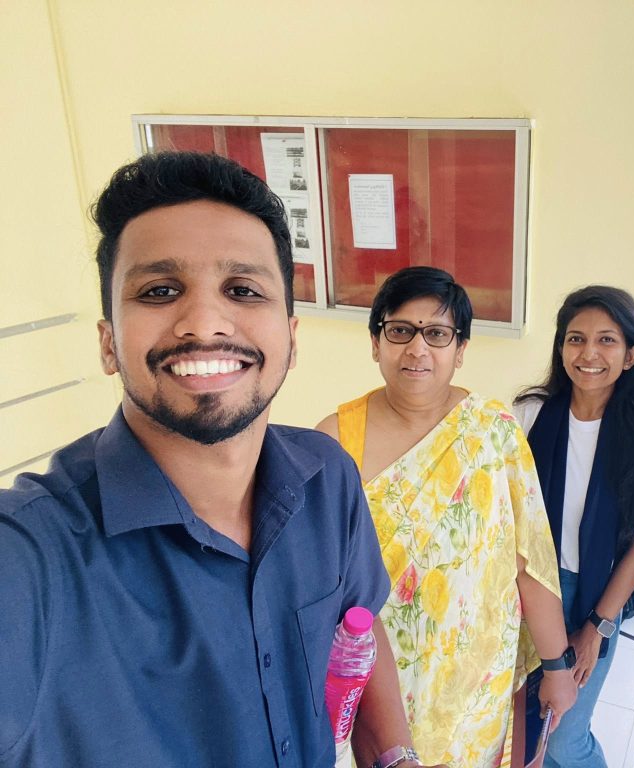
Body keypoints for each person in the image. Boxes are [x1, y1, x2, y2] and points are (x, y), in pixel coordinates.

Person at [0, 152, 444, 768]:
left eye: (243, 290)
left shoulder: (328, 478)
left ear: (291, 339)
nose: (205, 322)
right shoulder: (33, 554)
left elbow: (358, 629)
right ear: (108, 343)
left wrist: (395, 756)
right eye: (159, 291)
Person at [315, 267, 577, 767]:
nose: (417, 349)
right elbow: (323, 585)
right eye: (400, 330)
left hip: (475, 695)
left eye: (436, 334)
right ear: (375, 343)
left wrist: (557, 666)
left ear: (460, 350)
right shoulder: (334, 441)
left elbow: (530, 562)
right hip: (378, 695)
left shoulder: (493, 432)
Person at [513, 286, 634, 768]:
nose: (589, 354)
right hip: (529, 585)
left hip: (599, 593)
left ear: (631, 355)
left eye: (607, 340)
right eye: (576, 339)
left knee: (565, 736)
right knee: (528, 727)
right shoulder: (530, 414)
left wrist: (598, 627)